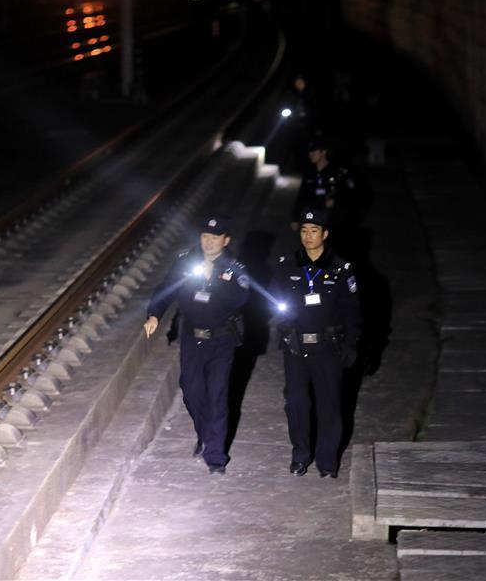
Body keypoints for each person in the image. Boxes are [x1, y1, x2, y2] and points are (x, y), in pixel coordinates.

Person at [144, 216, 249, 474]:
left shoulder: (235, 269)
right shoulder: (185, 261)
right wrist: (154, 313)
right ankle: (205, 435)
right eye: (204, 236)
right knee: (191, 391)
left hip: (222, 340)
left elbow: (241, 299)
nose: (208, 242)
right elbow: (166, 288)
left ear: (225, 241)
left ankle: (215, 456)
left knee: (217, 396)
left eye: (215, 238)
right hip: (192, 338)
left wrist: (214, 280)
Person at [271, 209, 361, 478]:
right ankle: (300, 455)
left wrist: (351, 344)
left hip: (328, 348)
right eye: (304, 230)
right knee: (296, 403)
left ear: (325, 234)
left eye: (314, 231)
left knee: (329, 405)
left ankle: (327, 461)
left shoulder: (341, 269)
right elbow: (274, 300)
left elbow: (352, 311)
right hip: (296, 347)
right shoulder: (287, 264)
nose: (308, 236)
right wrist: (283, 325)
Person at [290, 138, 360, 241]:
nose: (310, 154)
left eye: (314, 151)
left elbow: (351, 195)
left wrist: (336, 202)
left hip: (331, 219)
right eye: (309, 151)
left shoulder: (337, 172)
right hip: (312, 216)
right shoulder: (309, 172)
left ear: (323, 152)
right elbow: (301, 195)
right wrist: (295, 218)